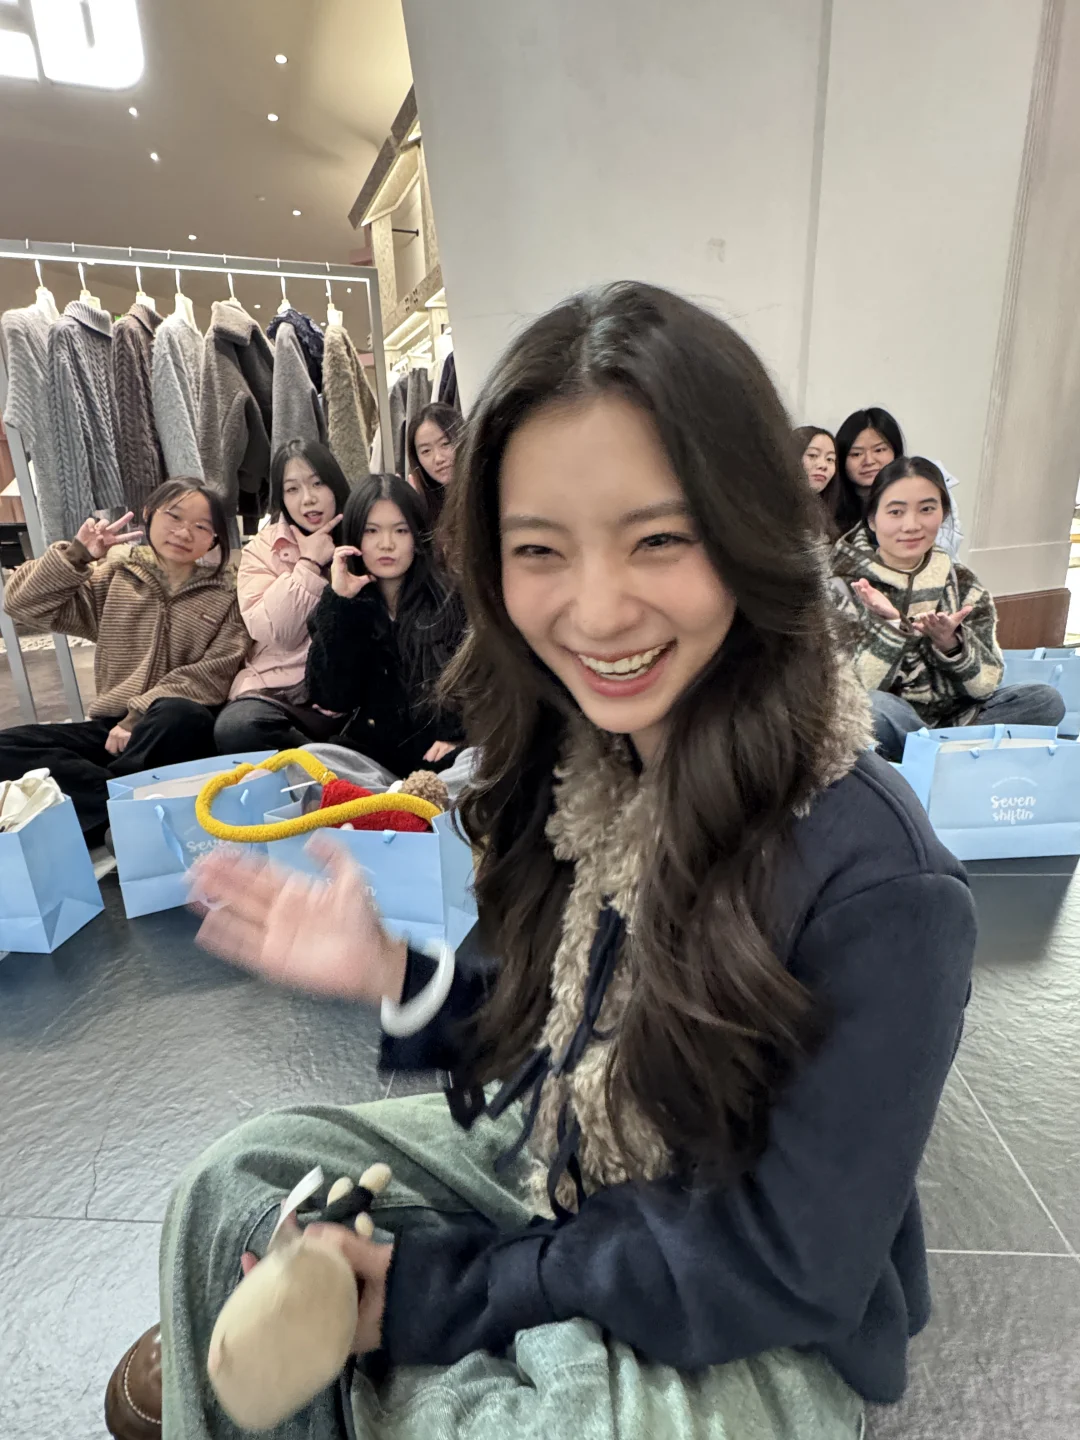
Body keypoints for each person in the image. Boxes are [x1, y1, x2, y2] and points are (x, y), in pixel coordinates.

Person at [106, 283, 976, 1440]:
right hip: (576, 1165)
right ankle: (338, 1362)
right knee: (238, 1180)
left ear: (752, 534)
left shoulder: (882, 881)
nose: (598, 612)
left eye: (659, 538)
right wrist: (393, 972)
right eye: (539, 550)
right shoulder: (583, 766)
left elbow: (785, 1266)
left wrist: (435, 1295)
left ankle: (341, 1369)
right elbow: (566, 1027)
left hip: (747, 1295)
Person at [0, 481, 246, 843]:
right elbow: (22, 604)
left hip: (170, 730)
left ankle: (99, 810)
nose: (183, 533)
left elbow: (212, 673)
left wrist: (139, 715)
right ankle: (126, 810)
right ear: (148, 515)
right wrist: (78, 556)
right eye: (174, 517)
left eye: (201, 526)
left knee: (181, 715)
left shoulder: (227, 596)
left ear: (214, 540)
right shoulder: (115, 578)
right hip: (110, 731)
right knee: (7, 747)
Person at [832, 455, 1064, 760]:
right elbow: (851, 693)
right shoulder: (842, 586)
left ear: (943, 513)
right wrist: (892, 627)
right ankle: (955, 756)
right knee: (876, 707)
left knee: (1045, 700)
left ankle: (937, 755)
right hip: (894, 720)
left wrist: (952, 646)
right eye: (896, 511)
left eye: (927, 509)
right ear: (873, 519)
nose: (911, 525)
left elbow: (986, 685)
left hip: (958, 720)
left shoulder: (962, 582)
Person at [303, 472, 466, 779]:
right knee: (309, 762)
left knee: (475, 765)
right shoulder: (343, 605)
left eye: (400, 531)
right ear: (355, 536)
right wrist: (341, 602)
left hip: (444, 759)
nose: (386, 544)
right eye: (372, 531)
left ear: (417, 536)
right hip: (375, 759)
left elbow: (483, 684)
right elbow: (330, 697)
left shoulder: (452, 599)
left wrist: (458, 735)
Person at [213, 440, 351, 755]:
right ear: (281, 498)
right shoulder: (262, 549)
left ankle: (327, 758)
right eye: (292, 489)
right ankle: (330, 761)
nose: (308, 498)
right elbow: (279, 633)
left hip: (351, 688)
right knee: (237, 729)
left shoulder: (362, 533)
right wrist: (309, 564)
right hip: (279, 690)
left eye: (318, 483)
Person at [834, 407, 963, 557]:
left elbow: (946, 550)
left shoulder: (929, 489)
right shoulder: (830, 504)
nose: (869, 461)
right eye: (856, 454)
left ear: (896, 451)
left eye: (879, 450)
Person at [406, 401, 462, 527]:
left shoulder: (488, 492)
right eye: (426, 451)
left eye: (445, 444)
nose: (438, 458)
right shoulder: (423, 509)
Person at [792, 424, 838, 534]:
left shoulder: (830, 519)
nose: (823, 465)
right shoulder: (768, 512)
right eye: (813, 455)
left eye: (830, 459)